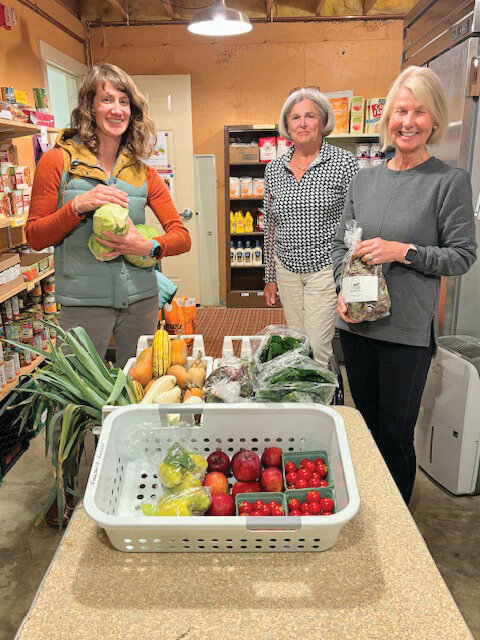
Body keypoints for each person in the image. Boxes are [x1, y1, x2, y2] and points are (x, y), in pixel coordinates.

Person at [331, 66, 477, 504]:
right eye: (400, 111)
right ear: (387, 118)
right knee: (367, 429)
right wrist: (342, 286)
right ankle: (371, 513)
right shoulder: (364, 179)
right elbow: (342, 246)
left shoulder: (448, 182)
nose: (408, 121)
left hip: (407, 333)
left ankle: (398, 536)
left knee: (395, 436)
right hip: (356, 328)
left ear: (434, 120)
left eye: (419, 112)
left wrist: (404, 251)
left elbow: (463, 255)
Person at [27, 63, 191, 369]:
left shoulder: (143, 172)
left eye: (124, 101)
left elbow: (181, 237)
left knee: (139, 388)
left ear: (133, 111)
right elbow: (35, 237)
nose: (117, 109)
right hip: (83, 305)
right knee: (80, 396)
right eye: (107, 100)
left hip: (141, 301)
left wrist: (147, 247)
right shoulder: (57, 162)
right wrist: (77, 206)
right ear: (89, 106)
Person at [263, 87, 357, 367]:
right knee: (297, 340)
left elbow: (356, 221)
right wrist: (269, 277)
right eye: (295, 118)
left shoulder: (343, 163)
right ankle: (304, 398)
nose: (302, 123)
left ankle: (320, 404)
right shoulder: (274, 169)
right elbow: (270, 224)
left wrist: (349, 276)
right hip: (287, 269)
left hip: (324, 270)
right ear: (287, 126)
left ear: (323, 121)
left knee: (318, 345)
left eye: (310, 116)